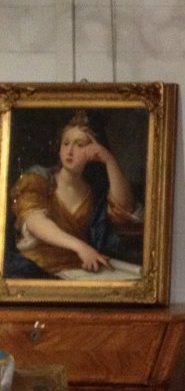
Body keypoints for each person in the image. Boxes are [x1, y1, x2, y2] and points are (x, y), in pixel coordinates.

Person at [6, 110, 143, 278]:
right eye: (66, 143)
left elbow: (125, 209)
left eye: (79, 145)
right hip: (36, 268)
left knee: (133, 277)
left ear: (93, 151)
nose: (70, 151)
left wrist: (109, 160)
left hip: (78, 267)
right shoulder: (39, 177)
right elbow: (34, 220)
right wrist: (80, 247)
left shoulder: (94, 192)